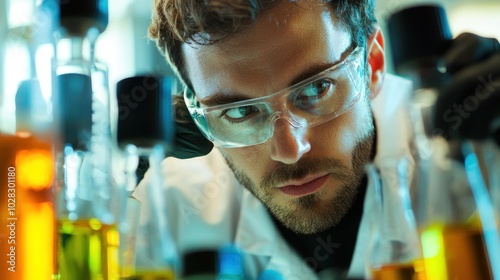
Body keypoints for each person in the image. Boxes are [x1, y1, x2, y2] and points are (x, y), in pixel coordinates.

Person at [136, 0, 500, 279]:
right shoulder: (168, 212)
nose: (290, 150)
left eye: (316, 88)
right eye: (239, 112)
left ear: (372, 64)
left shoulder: (473, 164)